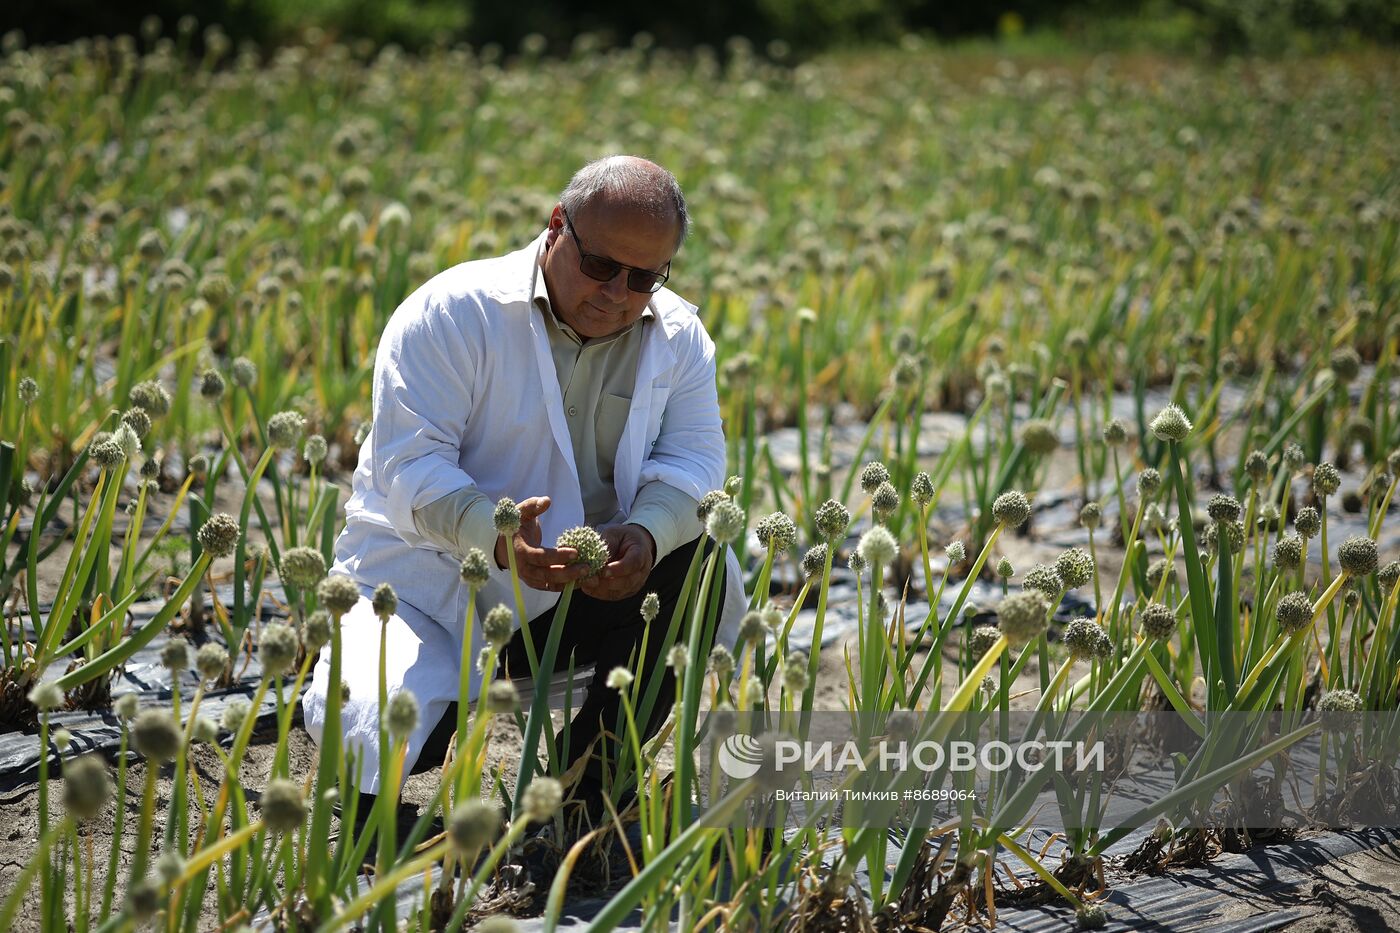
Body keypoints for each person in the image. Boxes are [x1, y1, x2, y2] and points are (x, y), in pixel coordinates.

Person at [301, 155, 745, 824]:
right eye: (600, 266)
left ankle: (586, 785)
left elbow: (696, 460)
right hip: (429, 590)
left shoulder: (680, 336)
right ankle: (418, 777)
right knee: (378, 751)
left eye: (644, 277)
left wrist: (647, 534)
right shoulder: (453, 312)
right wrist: (496, 536)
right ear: (556, 226)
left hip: (578, 597)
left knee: (701, 559)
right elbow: (409, 466)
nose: (618, 292)